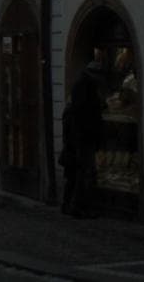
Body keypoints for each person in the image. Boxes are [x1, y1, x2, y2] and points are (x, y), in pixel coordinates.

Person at [59, 58, 103, 218]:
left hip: (76, 138)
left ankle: (68, 205)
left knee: (74, 173)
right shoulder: (86, 88)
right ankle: (79, 207)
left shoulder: (80, 87)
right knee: (83, 174)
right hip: (82, 139)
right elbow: (84, 115)